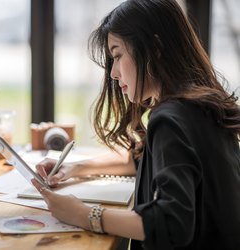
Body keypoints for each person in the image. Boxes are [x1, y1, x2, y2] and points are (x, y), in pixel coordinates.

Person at [31, 0, 240, 249]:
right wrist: (74, 168)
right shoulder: (199, 104)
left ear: (155, 47)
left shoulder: (170, 119)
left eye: (118, 55)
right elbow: (143, 159)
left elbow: (172, 224)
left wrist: (83, 214)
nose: (113, 73)